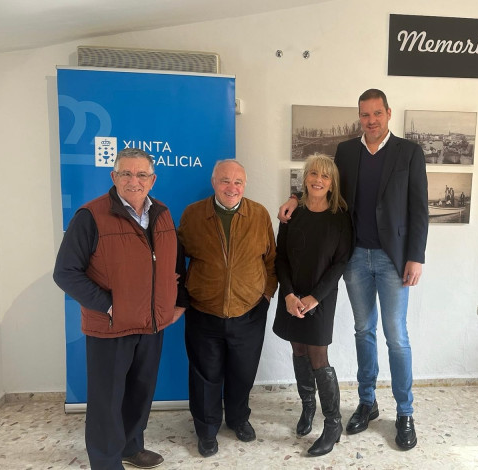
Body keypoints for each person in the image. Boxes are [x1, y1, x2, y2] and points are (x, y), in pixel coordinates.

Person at [279, 89, 428, 451]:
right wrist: (295, 197)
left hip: (394, 259)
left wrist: (416, 256)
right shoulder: (347, 151)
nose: (371, 120)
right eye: (365, 115)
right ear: (358, 117)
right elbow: (322, 180)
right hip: (356, 257)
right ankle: (367, 402)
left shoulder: (409, 152)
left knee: (397, 336)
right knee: (364, 331)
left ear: (389, 113)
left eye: (377, 113)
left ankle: (405, 412)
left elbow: (419, 208)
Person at [53, 148, 187, 470]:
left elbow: (174, 262)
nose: (134, 181)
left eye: (141, 174)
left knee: (140, 394)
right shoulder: (91, 215)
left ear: (152, 180)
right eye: (126, 173)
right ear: (114, 177)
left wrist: (176, 301)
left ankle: (130, 447)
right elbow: (65, 273)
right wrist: (110, 306)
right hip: (110, 327)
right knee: (106, 402)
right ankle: (105, 462)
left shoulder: (163, 214)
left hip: (152, 324)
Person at [178, 159, 277, 457]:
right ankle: (207, 430)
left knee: (242, 373)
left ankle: (237, 419)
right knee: (205, 375)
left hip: (249, 311)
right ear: (213, 182)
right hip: (203, 311)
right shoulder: (194, 214)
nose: (231, 187)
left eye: (237, 182)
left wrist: (267, 294)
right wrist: (182, 297)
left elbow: (271, 259)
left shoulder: (259, 214)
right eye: (225, 180)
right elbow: (177, 259)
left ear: (244, 185)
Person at [273, 154, 352, 456]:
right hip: (292, 295)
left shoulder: (340, 216)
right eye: (313, 174)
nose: (318, 180)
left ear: (333, 183)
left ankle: (333, 423)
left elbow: (341, 262)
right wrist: (290, 294)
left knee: (319, 357)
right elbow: (280, 257)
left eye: (325, 176)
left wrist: (314, 298)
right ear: (305, 178)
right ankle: (308, 407)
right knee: (298, 349)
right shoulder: (294, 213)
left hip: (321, 297)